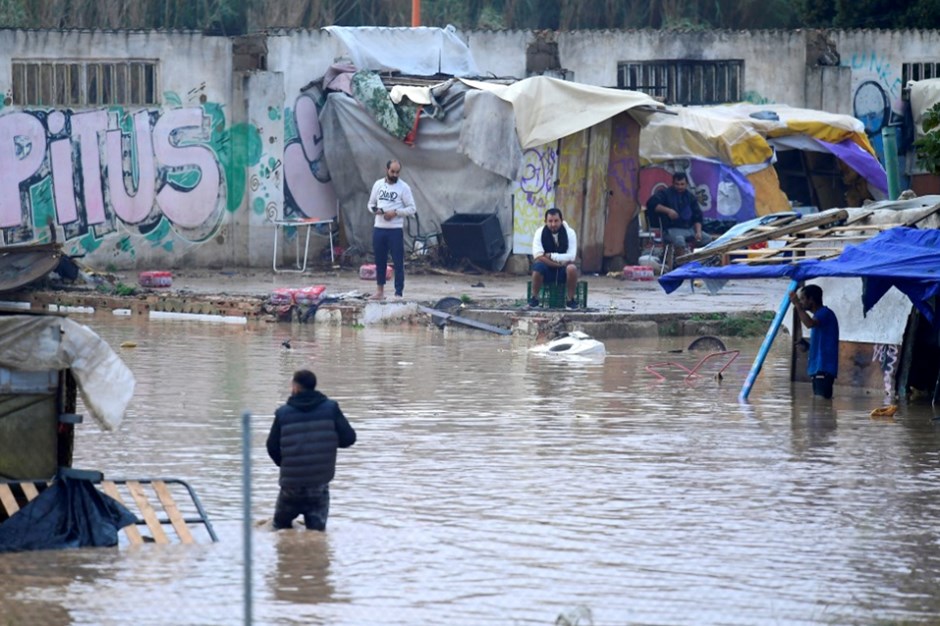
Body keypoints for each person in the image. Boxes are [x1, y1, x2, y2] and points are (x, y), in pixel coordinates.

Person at [267, 369, 356, 531]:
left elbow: (271, 447)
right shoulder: (331, 408)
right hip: (319, 485)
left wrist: (287, 465)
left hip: (290, 486)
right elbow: (349, 438)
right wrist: (327, 442)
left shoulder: (283, 413)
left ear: (295, 387)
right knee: (317, 535)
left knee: (279, 530)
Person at [367, 159, 417, 300]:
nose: (395, 174)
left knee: (398, 262)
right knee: (380, 260)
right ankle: (380, 291)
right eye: (392, 172)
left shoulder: (404, 187)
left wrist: (395, 212)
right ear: (387, 170)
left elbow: (412, 208)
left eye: (397, 172)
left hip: (395, 229)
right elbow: (370, 204)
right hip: (379, 228)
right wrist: (376, 211)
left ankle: (398, 293)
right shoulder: (378, 185)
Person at [790, 284, 840, 399]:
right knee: (820, 406)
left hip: (823, 368)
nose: (801, 302)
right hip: (819, 368)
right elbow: (822, 343)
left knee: (820, 405)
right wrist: (807, 346)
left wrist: (797, 305)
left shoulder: (824, 313)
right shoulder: (820, 315)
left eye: (803, 299)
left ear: (811, 299)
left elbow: (809, 324)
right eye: (800, 300)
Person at [645, 171, 712, 253]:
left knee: (707, 239)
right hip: (671, 229)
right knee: (679, 240)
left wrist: (698, 232)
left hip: (689, 229)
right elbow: (651, 204)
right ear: (673, 183)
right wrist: (668, 210)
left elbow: (697, 216)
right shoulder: (665, 194)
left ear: (686, 184)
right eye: (677, 184)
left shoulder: (690, 197)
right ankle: (681, 262)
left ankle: (700, 261)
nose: (680, 186)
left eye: (682, 184)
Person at [529, 207, 579, 309]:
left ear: (561, 220)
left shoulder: (570, 233)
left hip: (563, 270)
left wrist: (551, 256)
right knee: (537, 267)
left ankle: (570, 300)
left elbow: (571, 256)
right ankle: (534, 298)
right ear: (545, 222)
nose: (553, 224)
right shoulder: (539, 233)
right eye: (550, 221)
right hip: (548, 268)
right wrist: (558, 264)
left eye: (556, 221)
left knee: (572, 268)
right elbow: (538, 256)